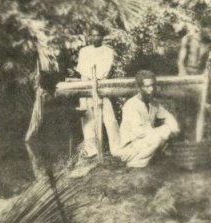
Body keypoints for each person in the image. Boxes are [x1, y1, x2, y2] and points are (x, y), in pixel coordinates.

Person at [117, 70, 180, 168]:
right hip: (130, 148)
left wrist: (174, 130)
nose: (151, 89)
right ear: (138, 88)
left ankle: (149, 161)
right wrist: (164, 131)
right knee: (159, 136)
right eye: (147, 86)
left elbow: (167, 116)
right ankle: (135, 164)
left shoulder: (153, 103)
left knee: (167, 130)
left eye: (153, 85)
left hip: (144, 143)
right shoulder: (131, 105)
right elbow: (140, 132)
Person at [75, 26, 120, 158]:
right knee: (88, 119)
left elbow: (105, 70)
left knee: (109, 118)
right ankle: (91, 150)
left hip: (101, 85)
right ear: (89, 36)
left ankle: (116, 148)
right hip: (86, 86)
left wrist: (96, 79)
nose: (95, 38)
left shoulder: (108, 51)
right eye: (92, 35)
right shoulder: (84, 51)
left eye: (97, 35)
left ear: (102, 37)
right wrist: (88, 81)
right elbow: (82, 70)